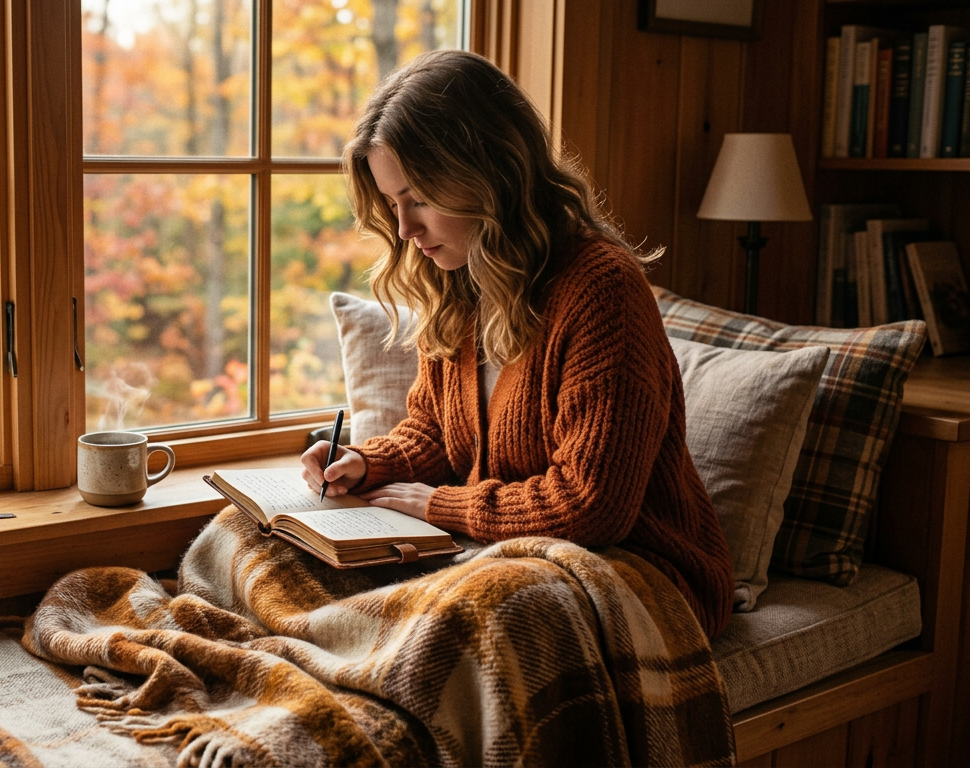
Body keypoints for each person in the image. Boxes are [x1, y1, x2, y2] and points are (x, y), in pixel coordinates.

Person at [301, 49, 733, 639]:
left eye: (420, 198)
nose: (403, 230)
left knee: (486, 610)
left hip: (638, 568)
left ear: (487, 174)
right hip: (502, 549)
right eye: (392, 203)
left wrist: (436, 507)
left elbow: (590, 505)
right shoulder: (457, 280)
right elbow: (434, 431)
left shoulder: (602, 290)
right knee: (253, 537)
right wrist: (367, 462)